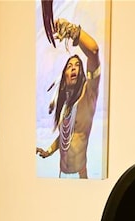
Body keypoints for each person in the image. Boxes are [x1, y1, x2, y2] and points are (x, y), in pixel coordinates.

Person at [36, 18, 101, 179]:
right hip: (62, 176)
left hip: (80, 177)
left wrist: (72, 31)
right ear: (64, 75)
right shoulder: (66, 105)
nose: (73, 68)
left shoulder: (88, 96)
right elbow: (66, 136)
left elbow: (93, 52)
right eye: (69, 66)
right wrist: (48, 151)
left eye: (77, 66)